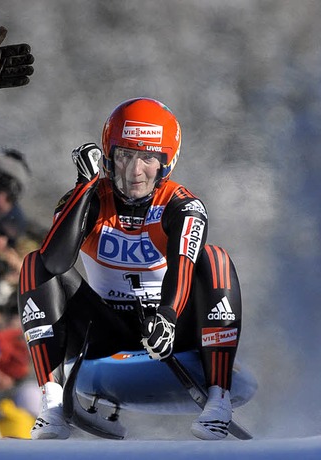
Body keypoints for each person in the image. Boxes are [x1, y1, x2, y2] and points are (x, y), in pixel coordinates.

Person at [16, 98, 243, 440]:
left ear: (166, 163)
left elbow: (184, 267)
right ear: (108, 157)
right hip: (105, 331)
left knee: (215, 259)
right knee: (35, 262)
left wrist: (166, 316)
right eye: (125, 156)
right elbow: (55, 263)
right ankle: (51, 402)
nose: (135, 172)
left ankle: (218, 399)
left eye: (148, 158)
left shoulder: (184, 206)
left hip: (172, 329)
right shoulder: (87, 198)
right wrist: (86, 188)